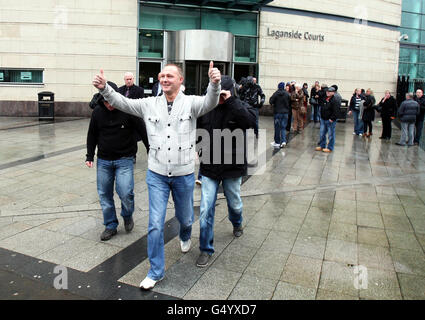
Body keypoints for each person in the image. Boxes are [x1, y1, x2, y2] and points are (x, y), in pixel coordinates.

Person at [92, 62, 222, 290]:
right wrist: (105, 89)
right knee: (155, 225)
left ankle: (184, 234)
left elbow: (210, 102)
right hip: (157, 175)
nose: (164, 78)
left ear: (180, 80)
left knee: (186, 218)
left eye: (170, 75)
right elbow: (122, 102)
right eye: (162, 75)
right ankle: (156, 271)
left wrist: (214, 84)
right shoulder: (148, 104)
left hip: (183, 175)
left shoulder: (191, 103)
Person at [196, 75, 256, 268]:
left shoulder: (239, 107)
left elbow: (250, 123)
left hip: (232, 166)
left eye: (221, 92)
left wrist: (230, 101)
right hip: (209, 167)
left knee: (234, 202)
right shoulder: (206, 107)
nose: (218, 96)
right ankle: (205, 248)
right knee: (206, 208)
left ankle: (237, 221)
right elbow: (197, 131)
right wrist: (199, 150)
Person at [86, 81, 145, 241]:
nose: (109, 105)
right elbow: (92, 134)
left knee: (125, 192)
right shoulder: (98, 112)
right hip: (104, 160)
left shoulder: (127, 110)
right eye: (105, 101)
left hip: (124, 159)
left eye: (111, 101)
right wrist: (89, 156)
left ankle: (127, 215)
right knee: (104, 194)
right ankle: (110, 225)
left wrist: (152, 150)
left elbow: (142, 130)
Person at [117, 72, 149, 162]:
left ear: (133, 79)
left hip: (134, 118)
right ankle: (123, 154)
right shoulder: (120, 90)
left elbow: (141, 104)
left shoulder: (139, 90)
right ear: (124, 80)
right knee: (123, 137)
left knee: (133, 139)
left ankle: (133, 155)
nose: (129, 81)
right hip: (122, 118)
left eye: (130, 79)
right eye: (127, 79)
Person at [316, 87, 340, 153]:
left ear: (333, 92)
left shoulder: (335, 100)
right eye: (327, 91)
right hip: (323, 119)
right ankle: (322, 145)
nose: (327, 92)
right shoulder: (325, 98)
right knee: (322, 133)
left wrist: (332, 119)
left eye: (329, 91)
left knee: (331, 134)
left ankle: (330, 147)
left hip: (330, 120)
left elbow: (336, 111)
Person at [270, 82, 291, 148]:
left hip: (277, 113)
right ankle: (283, 141)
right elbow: (290, 102)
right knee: (283, 127)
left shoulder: (276, 93)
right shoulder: (287, 94)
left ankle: (277, 142)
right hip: (285, 113)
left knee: (277, 128)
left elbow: (271, 101)